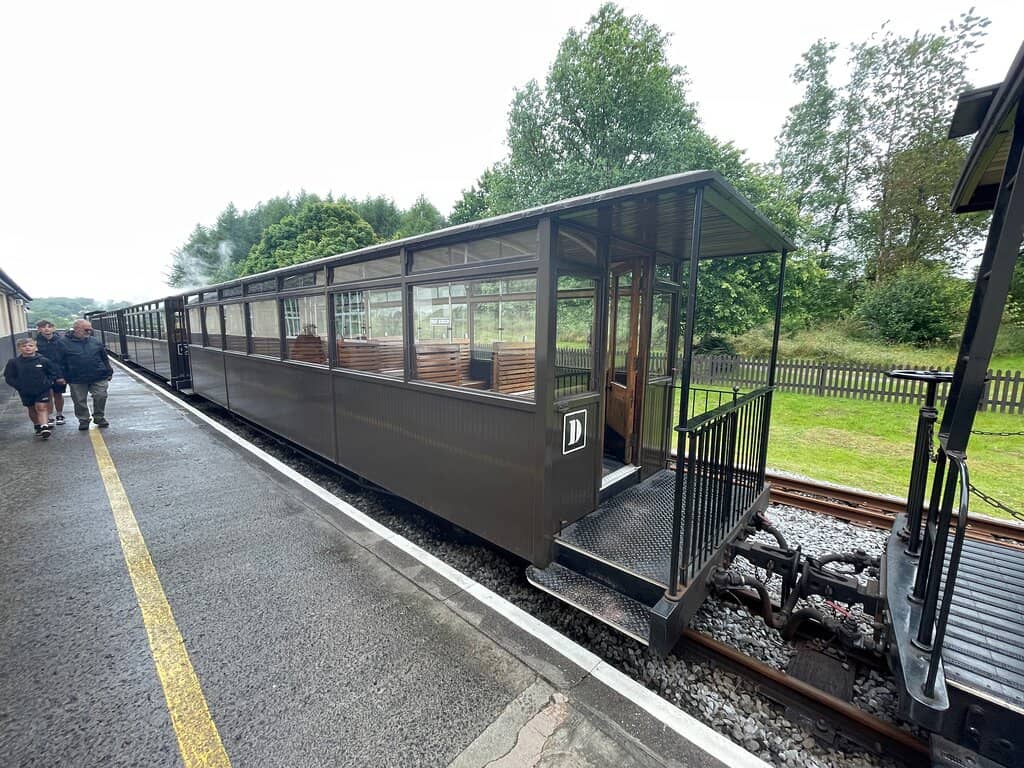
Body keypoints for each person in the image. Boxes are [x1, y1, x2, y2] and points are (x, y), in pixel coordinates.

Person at [3, 337, 64, 438]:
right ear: (19, 349)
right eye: (24, 346)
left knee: (41, 407)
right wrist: (19, 386)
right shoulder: (13, 362)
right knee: (31, 408)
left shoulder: (43, 361)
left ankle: (45, 426)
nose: (27, 348)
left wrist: (47, 383)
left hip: (42, 389)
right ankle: (37, 425)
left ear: (35, 348)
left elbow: (52, 373)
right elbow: (9, 377)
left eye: (30, 346)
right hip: (25, 390)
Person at [59, 319, 113, 430]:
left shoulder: (95, 341)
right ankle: (83, 419)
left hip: (98, 375)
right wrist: (61, 376)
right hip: (76, 377)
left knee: (101, 395)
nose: (89, 331)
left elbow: (104, 357)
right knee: (79, 400)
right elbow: (59, 361)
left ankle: (99, 417)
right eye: (86, 329)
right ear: (76, 329)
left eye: (90, 329)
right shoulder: (63, 343)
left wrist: (109, 371)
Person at [34, 320, 67, 425]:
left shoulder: (61, 341)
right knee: (47, 395)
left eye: (49, 327)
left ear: (54, 328)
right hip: (43, 373)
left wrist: (63, 374)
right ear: (39, 329)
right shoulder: (35, 342)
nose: (46, 329)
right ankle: (49, 416)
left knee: (58, 394)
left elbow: (65, 358)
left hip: (58, 372)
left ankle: (59, 414)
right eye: (43, 327)